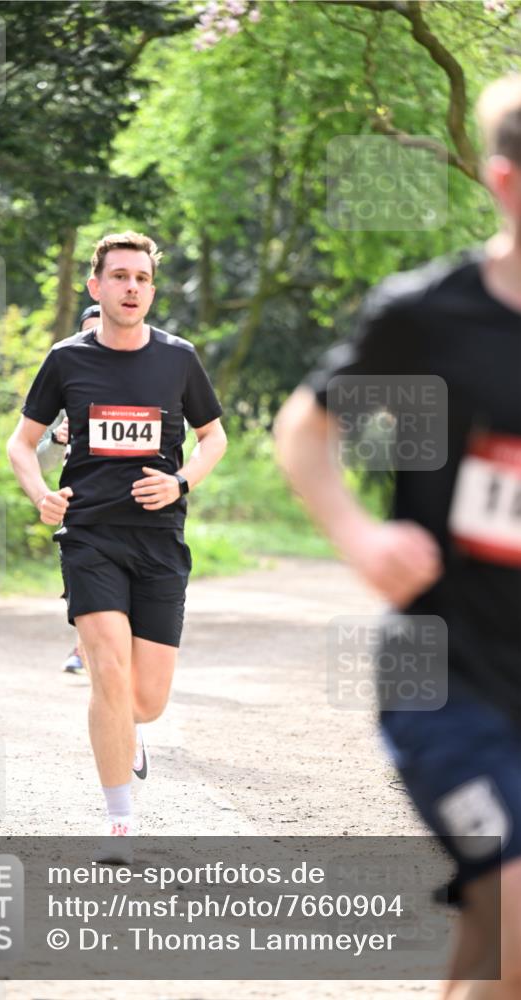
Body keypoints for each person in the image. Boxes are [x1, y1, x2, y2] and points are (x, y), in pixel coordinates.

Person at [275, 75, 521, 999]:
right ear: (503, 182)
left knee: (495, 956)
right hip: (446, 675)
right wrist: (357, 536)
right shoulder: (429, 316)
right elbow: (305, 426)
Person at [7, 231, 227, 856]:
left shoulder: (178, 358)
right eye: (120, 276)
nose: (131, 288)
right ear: (95, 286)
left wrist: (181, 479)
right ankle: (119, 824)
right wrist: (40, 494)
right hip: (89, 535)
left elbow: (215, 438)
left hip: (160, 541)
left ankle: (130, 736)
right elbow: (21, 443)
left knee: (145, 702)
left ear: (151, 290)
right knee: (106, 667)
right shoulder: (67, 358)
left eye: (141, 278)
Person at [36, 304, 101, 675]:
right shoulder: (64, 390)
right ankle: (85, 646)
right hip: (79, 506)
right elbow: (39, 460)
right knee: (86, 583)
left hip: (132, 507)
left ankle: (97, 649)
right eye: (88, 333)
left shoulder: (138, 385)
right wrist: (60, 440)